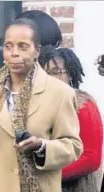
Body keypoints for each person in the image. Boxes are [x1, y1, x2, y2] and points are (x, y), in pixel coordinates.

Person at [0, 18, 83, 192]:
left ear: (37, 51)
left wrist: (41, 147)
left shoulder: (60, 93)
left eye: (23, 46)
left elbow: (73, 147)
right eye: (8, 46)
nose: (14, 53)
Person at [39, 45, 103, 192]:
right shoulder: (35, 105)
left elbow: (91, 158)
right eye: (45, 73)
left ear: (70, 75)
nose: (50, 78)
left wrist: (51, 175)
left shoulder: (83, 104)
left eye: (56, 72)